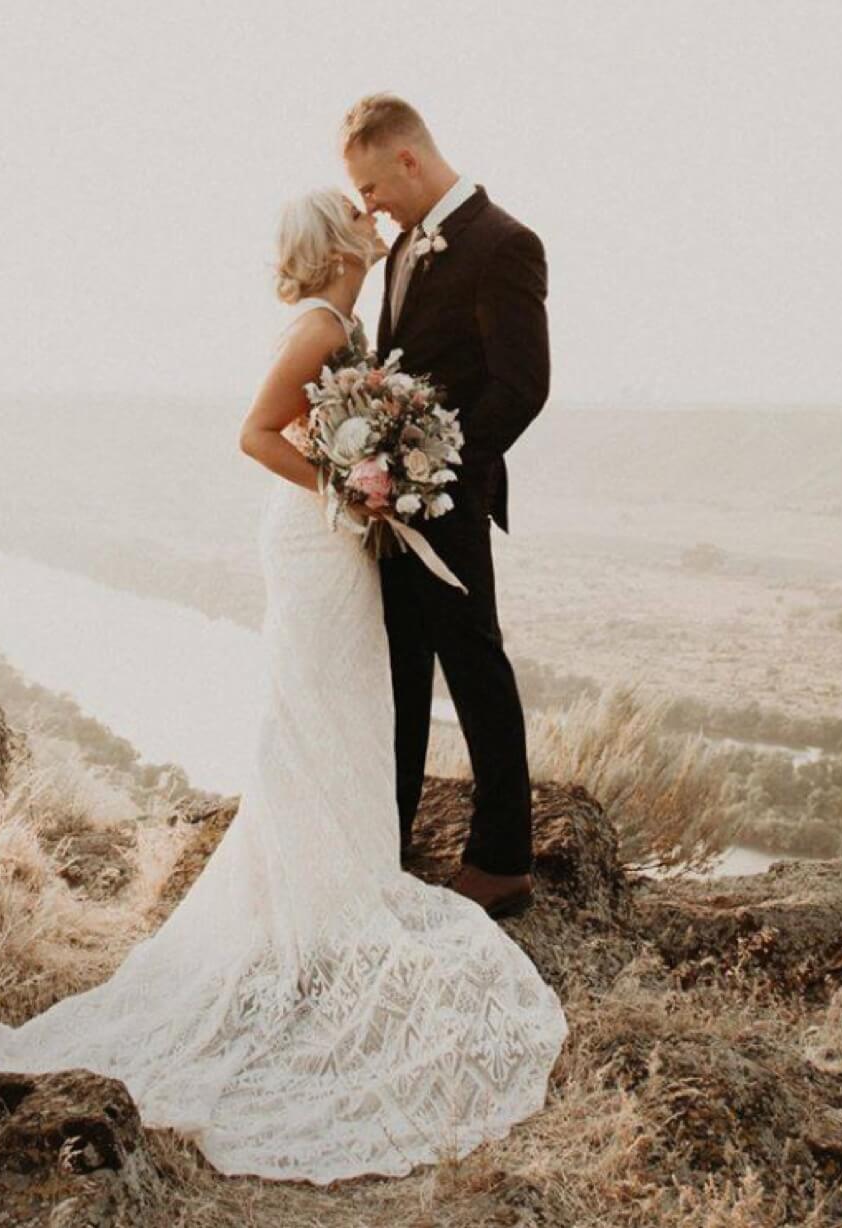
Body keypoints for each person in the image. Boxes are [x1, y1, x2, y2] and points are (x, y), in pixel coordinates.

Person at [0, 186, 565, 1185]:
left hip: (342, 537)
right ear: (335, 242)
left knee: (341, 711)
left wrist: (374, 474)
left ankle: (339, 871)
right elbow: (256, 432)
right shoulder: (322, 325)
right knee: (314, 709)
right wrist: (351, 485)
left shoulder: (349, 319)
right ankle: (315, 892)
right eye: (359, 213)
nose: (377, 224)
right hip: (316, 536)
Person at [340, 92, 549, 919]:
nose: (370, 206)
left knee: (475, 670)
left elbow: (521, 387)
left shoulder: (505, 244)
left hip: (448, 506)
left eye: (372, 187)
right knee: (398, 673)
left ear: (409, 160)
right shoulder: (395, 255)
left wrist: (435, 472)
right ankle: (385, 837)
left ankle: (503, 860)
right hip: (393, 510)